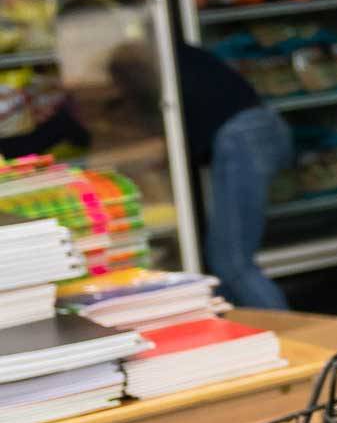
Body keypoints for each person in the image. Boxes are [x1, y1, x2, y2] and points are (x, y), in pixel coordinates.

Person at [111, 41, 293, 309]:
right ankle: (253, 333)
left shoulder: (146, 65)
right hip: (263, 128)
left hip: (241, 139)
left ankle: (295, 341)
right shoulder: (167, 52)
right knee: (224, 264)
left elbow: (170, 141)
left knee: (231, 261)